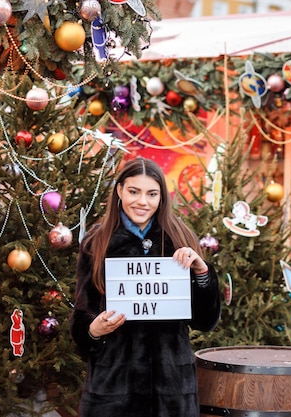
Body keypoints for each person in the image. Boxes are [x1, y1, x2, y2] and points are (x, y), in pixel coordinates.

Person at [70, 157, 221, 417]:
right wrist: (94, 329)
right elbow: (82, 316)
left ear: (161, 197)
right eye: (133, 192)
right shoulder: (96, 242)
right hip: (114, 389)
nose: (142, 202)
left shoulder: (180, 237)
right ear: (119, 190)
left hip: (171, 390)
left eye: (152, 194)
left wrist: (201, 272)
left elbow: (205, 321)